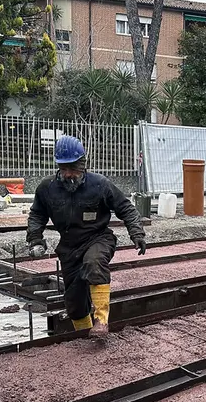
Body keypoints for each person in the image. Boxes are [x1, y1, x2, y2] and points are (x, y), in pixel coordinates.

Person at [27, 135, 146, 337]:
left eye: (73, 168)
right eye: (64, 169)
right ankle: (84, 337)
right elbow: (37, 214)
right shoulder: (47, 189)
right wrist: (35, 239)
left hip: (98, 238)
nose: (68, 174)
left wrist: (137, 233)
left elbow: (125, 208)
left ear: (83, 165)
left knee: (94, 262)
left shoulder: (99, 185)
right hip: (69, 247)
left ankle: (101, 322)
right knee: (74, 303)